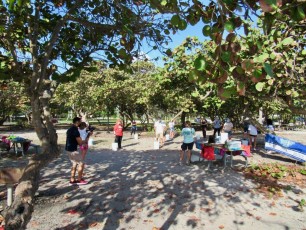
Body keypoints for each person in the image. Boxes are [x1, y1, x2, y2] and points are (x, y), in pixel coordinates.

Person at [65, 117, 88, 185]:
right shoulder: (75, 130)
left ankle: (72, 180)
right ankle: (79, 180)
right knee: (81, 163)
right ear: (77, 122)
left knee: (74, 164)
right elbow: (80, 143)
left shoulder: (70, 129)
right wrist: (87, 139)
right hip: (73, 150)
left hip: (68, 149)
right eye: (80, 121)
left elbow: (75, 140)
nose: (81, 123)